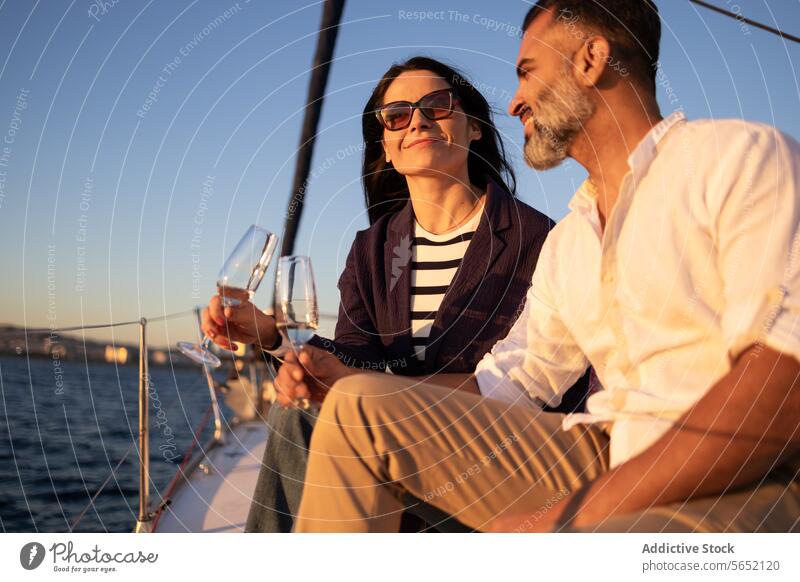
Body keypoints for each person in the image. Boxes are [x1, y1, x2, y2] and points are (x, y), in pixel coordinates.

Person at [281, 0, 800, 532]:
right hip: (604, 451)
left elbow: (782, 389)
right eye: (395, 117)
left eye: (527, 73)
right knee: (355, 409)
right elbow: (510, 381)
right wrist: (347, 377)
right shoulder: (572, 241)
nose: (513, 103)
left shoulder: (739, 159)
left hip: (746, 475)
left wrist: (556, 523)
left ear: (591, 59)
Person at [201, 56, 591, 532]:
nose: (419, 121)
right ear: (386, 147)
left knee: (303, 422)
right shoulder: (372, 249)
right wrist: (273, 337)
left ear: (473, 128)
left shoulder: (539, 240)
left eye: (438, 105)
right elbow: (353, 364)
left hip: (489, 469)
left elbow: (538, 385)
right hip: (384, 452)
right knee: (302, 413)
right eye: (397, 115)